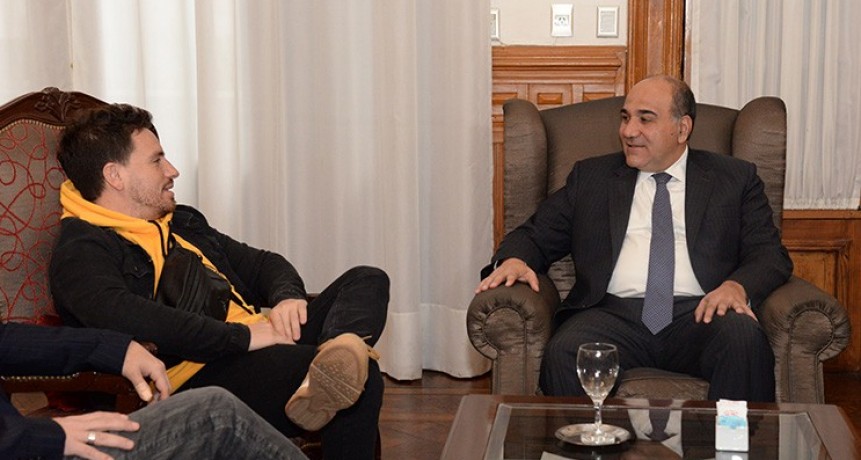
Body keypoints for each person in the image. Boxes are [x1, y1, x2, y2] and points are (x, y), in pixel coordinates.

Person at [49, 103, 389, 459]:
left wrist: (287, 296)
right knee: (364, 380)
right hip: (200, 374)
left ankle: (334, 363)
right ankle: (333, 374)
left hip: (255, 340)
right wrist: (243, 337)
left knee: (367, 279)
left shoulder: (181, 222)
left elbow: (262, 264)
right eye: (157, 160)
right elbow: (137, 318)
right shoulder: (82, 250)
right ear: (115, 176)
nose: (172, 170)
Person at [476, 75, 792, 402]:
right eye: (625, 118)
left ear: (682, 128)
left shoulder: (734, 179)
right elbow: (535, 234)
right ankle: (591, 437)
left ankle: (729, 437)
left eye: (645, 119)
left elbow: (769, 255)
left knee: (743, 339)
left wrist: (736, 287)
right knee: (566, 351)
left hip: (701, 312)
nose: (629, 131)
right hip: (613, 314)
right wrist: (514, 259)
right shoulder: (592, 178)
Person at [0, 321, 308, 460]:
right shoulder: (85, 245)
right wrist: (43, 436)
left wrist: (113, 347)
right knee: (215, 414)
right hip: (26, 445)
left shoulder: (184, 228)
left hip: (22, 438)